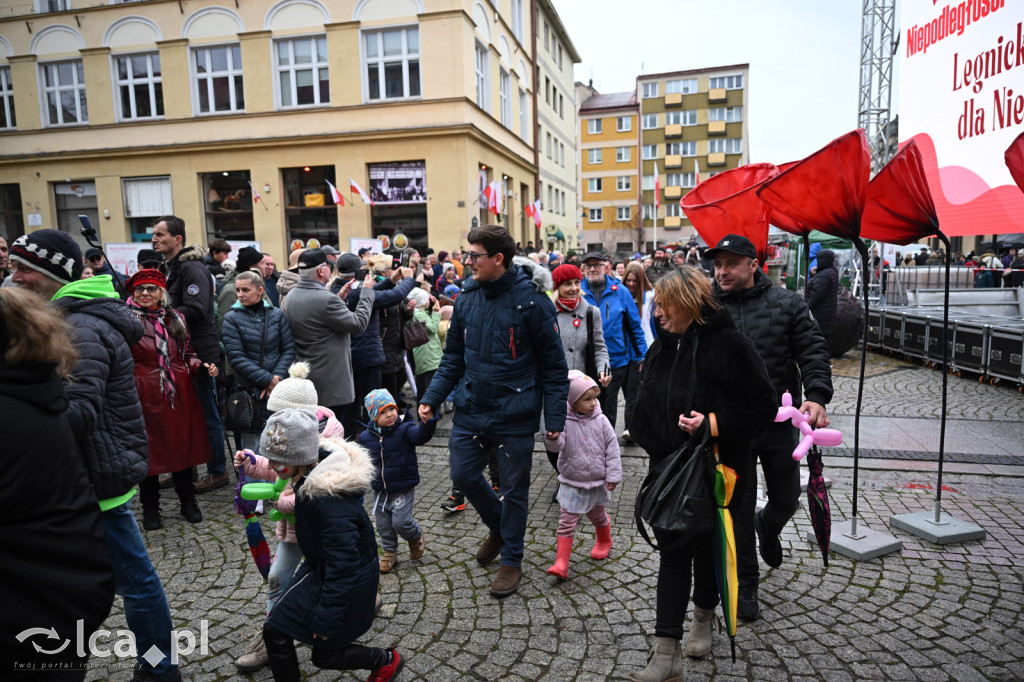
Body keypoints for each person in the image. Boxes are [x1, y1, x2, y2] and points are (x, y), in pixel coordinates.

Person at [10, 229, 183, 682]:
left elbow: (78, 414)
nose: (14, 278)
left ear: (54, 275)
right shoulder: (62, 317)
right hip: (80, 474)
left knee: (135, 582)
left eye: (24, 269)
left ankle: (160, 670)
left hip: (94, 478)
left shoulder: (81, 327)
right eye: (11, 267)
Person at [625, 267, 776, 678]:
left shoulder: (730, 345)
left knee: (708, 552)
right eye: (656, 305)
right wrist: (642, 420)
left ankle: (704, 618)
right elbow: (643, 402)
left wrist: (712, 423)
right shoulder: (661, 346)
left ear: (689, 302)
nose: (657, 313)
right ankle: (665, 654)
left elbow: (763, 405)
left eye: (664, 305)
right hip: (669, 473)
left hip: (718, 473)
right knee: (673, 555)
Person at [419, 225, 569, 598]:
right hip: (471, 406)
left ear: (498, 259)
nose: (467, 261)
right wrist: (432, 397)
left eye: (474, 255)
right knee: (462, 474)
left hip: (515, 412)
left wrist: (554, 419)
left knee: (515, 489)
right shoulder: (467, 297)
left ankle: (512, 560)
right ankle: (500, 529)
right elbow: (453, 357)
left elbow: (554, 367)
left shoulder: (533, 301)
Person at [709, 234, 832, 623]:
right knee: (739, 508)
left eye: (731, 263)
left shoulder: (786, 303)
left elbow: (812, 349)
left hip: (781, 420)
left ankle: (770, 525)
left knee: (786, 499)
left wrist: (817, 395)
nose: (722, 271)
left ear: (753, 265)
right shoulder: (708, 306)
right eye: (718, 264)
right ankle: (747, 583)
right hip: (734, 424)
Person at [0, 287, 116, 680]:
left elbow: (89, 409)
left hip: (30, 614)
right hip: (65, 593)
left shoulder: (17, 408)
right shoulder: (36, 395)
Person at [260, 410, 406, 681]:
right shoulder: (309, 471)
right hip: (323, 569)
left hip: (348, 580)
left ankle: (386, 660)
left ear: (298, 457)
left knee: (325, 655)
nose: (271, 466)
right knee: (275, 630)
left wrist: (328, 617)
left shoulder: (328, 501)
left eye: (277, 460)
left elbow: (345, 566)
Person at [125, 269, 216, 530]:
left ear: (161, 293)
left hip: (178, 393)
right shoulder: (126, 320)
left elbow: (188, 354)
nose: (145, 293)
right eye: (140, 289)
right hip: (143, 392)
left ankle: (188, 502)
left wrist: (200, 367)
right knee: (150, 452)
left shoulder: (175, 318)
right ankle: (150, 508)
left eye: (151, 288)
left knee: (181, 449)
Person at [152, 216, 226, 493]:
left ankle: (218, 472)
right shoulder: (168, 267)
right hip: (176, 352)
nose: (154, 239)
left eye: (160, 234)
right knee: (181, 416)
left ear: (177, 239)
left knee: (207, 416)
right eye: (154, 234)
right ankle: (186, 469)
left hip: (200, 354)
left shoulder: (192, 268)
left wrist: (159, 314)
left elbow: (196, 309)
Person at [543, 370, 621, 579]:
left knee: (597, 515)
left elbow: (612, 448)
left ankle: (605, 540)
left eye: (595, 398)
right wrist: (552, 437)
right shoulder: (565, 421)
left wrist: (613, 475)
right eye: (587, 399)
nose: (594, 403)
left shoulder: (601, 420)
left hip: (596, 482)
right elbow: (556, 447)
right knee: (566, 521)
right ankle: (561, 563)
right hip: (572, 481)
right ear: (572, 402)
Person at [283, 249, 374, 418]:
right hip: (331, 381)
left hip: (308, 374)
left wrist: (339, 298)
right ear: (320, 270)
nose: (331, 270)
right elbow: (358, 324)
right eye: (328, 266)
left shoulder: (291, 295)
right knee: (333, 428)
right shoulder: (326, 298)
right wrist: (367, 292)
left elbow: (318, 318)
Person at [336, 253, 417, 437]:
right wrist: (409, 279)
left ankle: (351, 440)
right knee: (371, 405)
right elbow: (394, 296)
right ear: (357, 272)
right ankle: (372, 440)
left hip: (351, 356)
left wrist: (391, 280)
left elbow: (374, 292)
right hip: (366, 357)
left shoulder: (339, 288)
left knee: (352, 404)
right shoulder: (355, 292)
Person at [358, 389, 437, 574]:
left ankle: (415, 536)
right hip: (380, 490)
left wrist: (428, 422)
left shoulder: (405, 429)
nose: (389, 415)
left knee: (401, 522)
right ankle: (390, 553)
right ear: (374, 417)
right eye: (383, 412)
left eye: (391, 409)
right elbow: (360, 463)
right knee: (383, 525)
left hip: (403, 486)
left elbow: (421, 436)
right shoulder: (365, 437)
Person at [221, 270, 296, 451]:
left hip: (277, 390)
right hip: (250, 391)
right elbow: (236, 357)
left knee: (279, 445)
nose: (240, 294)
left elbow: (288, 349)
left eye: (245, 290)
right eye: (238, 290)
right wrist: (267, 380)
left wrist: (276, 378)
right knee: (253, 449)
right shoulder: (231, 318)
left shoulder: (276, 314)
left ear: (260, 290)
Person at [580, 251, 648, 431]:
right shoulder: (578, 291)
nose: (593, 269)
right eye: (589, 265)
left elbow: (635, 327)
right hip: (585, 361)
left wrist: (642, 355)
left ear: (606, 267)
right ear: (583, 268)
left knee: (608, 405)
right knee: (585, 405)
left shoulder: (621, 291)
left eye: (597, 265)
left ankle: (607, 441)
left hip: (615, 360)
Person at [216, 246, 266, 335]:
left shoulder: (258, 285)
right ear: (252, 267)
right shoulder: (230, 291)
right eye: (262, 263)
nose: (265, 267)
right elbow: (224, 328)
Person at [406, 288, 443, 402]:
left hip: (425, 357)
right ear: (421, 302)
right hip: (429, 358)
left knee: (424, 390)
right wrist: (436, 312)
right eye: (427, 299)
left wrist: (431, 306)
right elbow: (432, 328)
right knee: (430, 391)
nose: (429, 301)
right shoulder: (418, 314)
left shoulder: (418, 313)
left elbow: (427, 319)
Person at [805, 248, 839, 351]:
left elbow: (816, 297)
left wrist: (805, 309)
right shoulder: (832, 271)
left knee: (819, 342)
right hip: (828, 314)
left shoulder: (823, 276)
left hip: (820, 315)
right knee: (825, 341)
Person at [622, 261, 656, 347]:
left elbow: (654, 325)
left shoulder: (649, 298)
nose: (631, 284)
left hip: (645, 344)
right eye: (628, 280)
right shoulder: (619, 296)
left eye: (635, 281)